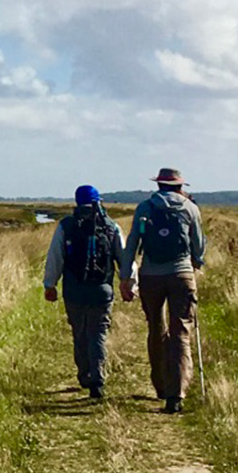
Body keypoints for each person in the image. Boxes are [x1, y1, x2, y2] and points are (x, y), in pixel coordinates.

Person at [121, 167, 205, 414]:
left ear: (159, 185)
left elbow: (132, 245)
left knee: (156, 329)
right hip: (181, 275)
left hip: (150, 276)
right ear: (180, 186)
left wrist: (126, 276)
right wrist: (195, 264)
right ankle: (176, 393)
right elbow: (198, 247)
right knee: (181, 332)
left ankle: (160, 385)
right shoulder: (190, 208)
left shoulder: (145, 208)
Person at [43, 185, 126, 400]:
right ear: (99, 201)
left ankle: (84, 375)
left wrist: (49, 285)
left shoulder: (66, 226)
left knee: (79, 334)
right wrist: (129, 283)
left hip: (74, 291)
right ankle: (97, 380)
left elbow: (55, 258)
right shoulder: (110, 226)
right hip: (102, 290)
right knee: (98, 333)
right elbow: (124, 259)